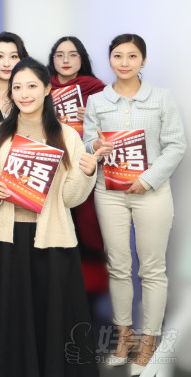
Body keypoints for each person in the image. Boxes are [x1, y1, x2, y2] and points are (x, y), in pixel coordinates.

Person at [0, 57, 99, 377]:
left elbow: (70, 199)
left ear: (46, 90)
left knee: (51, 317)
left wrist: (86, 174)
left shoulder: (67, 136)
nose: (24, 93)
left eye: (31, 86)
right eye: (17, 87)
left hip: (51, 240)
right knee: (7, 315)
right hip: (4, 238)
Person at [84, 34, 186, 375]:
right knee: (118, 266)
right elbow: (87, 143)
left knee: (152, 269)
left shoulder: (161, 98)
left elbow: (176, 145)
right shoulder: (98, 101)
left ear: (143, 60)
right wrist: (95, 146)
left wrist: (148, 179)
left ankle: (148, 344)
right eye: (117, 55)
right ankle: (124, 339)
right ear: (110, 60)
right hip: (109, 191)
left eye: (132, 56)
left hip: (151, 192)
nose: (124, 62)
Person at [47, 36, 109, 298]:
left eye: (72, 55)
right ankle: (56, 292)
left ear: (81, 59)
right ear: (52, 60)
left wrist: (93, 117)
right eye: (60, 55)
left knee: (85, 230)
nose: (66, 60)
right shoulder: (41, 87)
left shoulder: (97, 89)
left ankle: (88, 296)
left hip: (85, 168)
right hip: (51, 168)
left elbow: (111, 134)